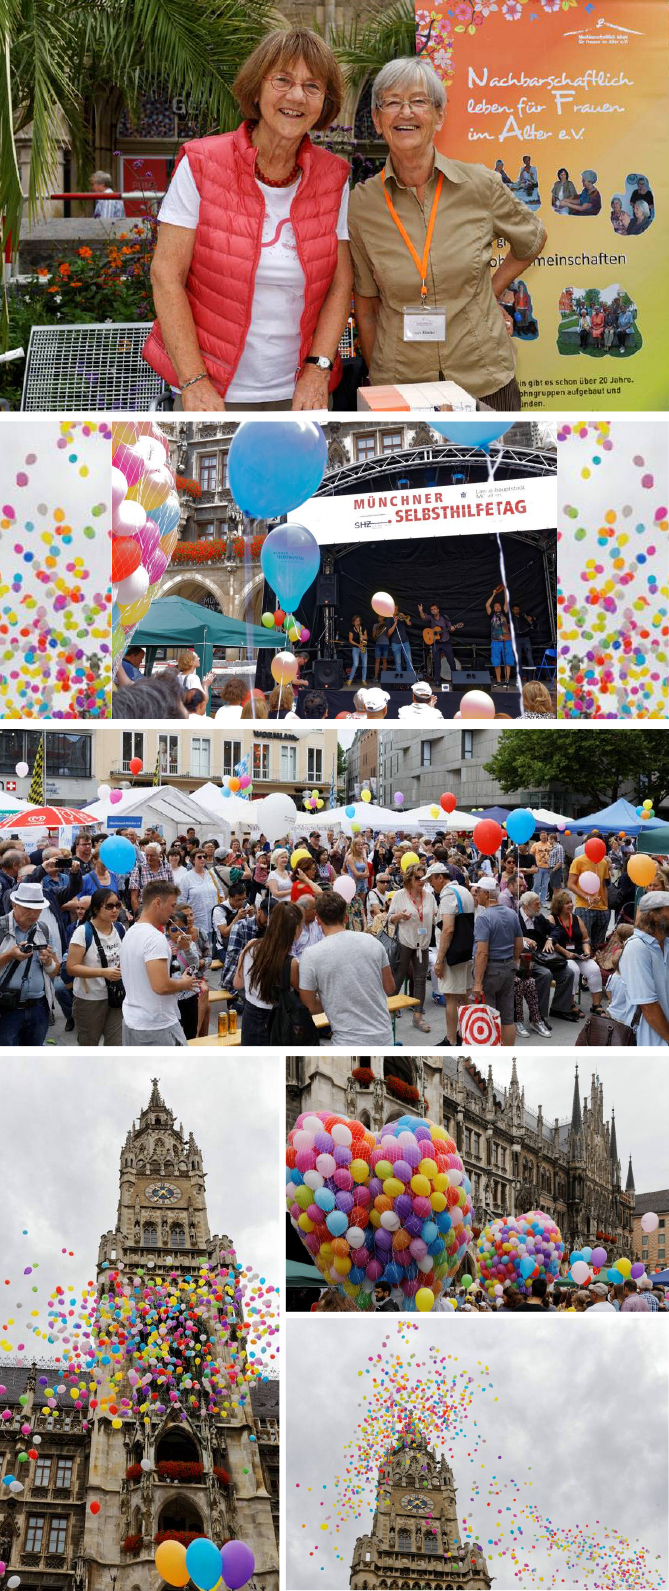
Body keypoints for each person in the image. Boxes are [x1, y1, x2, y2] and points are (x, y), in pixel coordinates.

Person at [144, 28, 353, 412]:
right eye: (283, 80)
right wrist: (194, 381)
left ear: (324, 102)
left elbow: (341, 284)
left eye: (312, 86)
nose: (295, 96)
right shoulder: (202, 163)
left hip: (298, 394)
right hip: (214, 393)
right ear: (256, 89)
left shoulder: (334, 176)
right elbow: (166, 275)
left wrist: (317, 371)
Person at [347, 57, 545, 407]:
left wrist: (488, 290)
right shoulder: (362, 205)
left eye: (419, 101)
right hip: (403, 387)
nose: (405, 112)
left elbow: (532, 240)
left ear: (439, 116)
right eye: (392, 102)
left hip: (483, 377)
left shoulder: (479, 185)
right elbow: (366, 303)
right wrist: (381, 382)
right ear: (377, 120)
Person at [299, 890, 395, 1047]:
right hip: (383, 1037)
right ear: (345, 917)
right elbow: (390, 987)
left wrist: (335, 996)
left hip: (346, 1042)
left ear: (318, 919)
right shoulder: (372, 942)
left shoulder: (310, 955)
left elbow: (309, 1006)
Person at [119, 880, 198, 1046]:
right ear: (157, 902)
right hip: (155, 1025)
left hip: (133, 1020)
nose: (173, 911)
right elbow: (161, 986)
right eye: (172, 905)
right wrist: (185, 983)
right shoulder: (155, 938)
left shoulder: (131, 931)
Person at [233, 899, 301, 1043]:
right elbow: (306, 998)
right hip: (276, 1021)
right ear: (296, 929)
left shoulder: (251, 945)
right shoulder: (292, 963)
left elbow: (237, 984)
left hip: (250, 1016)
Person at [0, 880, 60, 1045]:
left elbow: (55, 971)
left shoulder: (44, 929)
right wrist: (9, 955)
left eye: (38, 909)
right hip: (6, 1008)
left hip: (37, 1007)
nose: (34, 913)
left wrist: (48, 961)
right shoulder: (1, 927)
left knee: (32, 1060)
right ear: (14, 905)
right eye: (28, 908)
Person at [607, 893, 669, 1046]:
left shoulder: (666, 943)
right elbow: (647, 1005)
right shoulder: (637, 947)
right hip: (650, 1039)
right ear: (654, 915)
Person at [66, 887, 124, 1046]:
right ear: (96, 909)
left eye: (117, 905)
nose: (115, 910)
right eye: (109, 906)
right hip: (89, 1000)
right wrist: (103, 972)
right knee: (89, 1045)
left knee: (116, 1045)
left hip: (116, 996)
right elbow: (71, 967)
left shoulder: (119, 928)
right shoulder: (83, 932)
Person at [471, 880, 523, 1046]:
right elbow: (519, 943)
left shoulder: (484, 917)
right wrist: (514, 961)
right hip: (507, 967)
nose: (476, 895)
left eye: (478, 891)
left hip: (491, 970)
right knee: (507, 1018)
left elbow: (482, 952)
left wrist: (477, 983)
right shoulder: (511, 913)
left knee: (489, 1017)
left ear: (486, 894)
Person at [387, 860, 435, 1032]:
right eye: (417, 878)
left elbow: (434, 916)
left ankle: (418, 1016)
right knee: (398, 978)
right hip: (405, 941)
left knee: (420, 979)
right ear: (409, 879)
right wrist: (399, 915)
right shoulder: (400, 895)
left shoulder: (429, 896)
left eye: (424, 878)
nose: (421, 881)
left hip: (422, 943)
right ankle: (388, 1014)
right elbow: (390, 918)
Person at [429, 863, 475, 1046]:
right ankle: (465, 1034)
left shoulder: (448, 893)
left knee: (450, 997)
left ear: (440, 877)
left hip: (452, 954)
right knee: (464, 996)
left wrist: (439, 960)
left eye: (432, 880)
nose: (431, 885)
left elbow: (448, 929)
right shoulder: (464, 890)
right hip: (465, 951)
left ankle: (451, 1039)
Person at [550, 888, 605, 1021]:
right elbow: (552, 941)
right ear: (559, 905)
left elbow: (585, 938)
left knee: (594, 969)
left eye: (571, 902)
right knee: (573, 970)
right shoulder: (552, 919)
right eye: (567, 903)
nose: (571, 905)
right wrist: (566, 953)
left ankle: (596, 1005)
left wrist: (586, 951)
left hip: (579, 953)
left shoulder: (576, 918)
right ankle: (571, 1004)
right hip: (562, 955)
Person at [567, 845, 611, 952]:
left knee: (599, 944)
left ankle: (597, 964)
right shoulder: (579, 861)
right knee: (584, 940)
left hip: (602, 909)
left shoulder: (603, 862)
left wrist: (606, 905)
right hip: (584, 907)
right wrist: (586, 897)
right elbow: (570, 884)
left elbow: (603, 885)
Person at [179, 848, 220, 943]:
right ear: (193, 860)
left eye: (204, 857)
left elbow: (220, 892)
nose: (202, 859)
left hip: (213, 920)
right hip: (196, 922)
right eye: (199, 857)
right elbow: (182, 901)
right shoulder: (186, 878)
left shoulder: (211, 874)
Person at [418, 601, 462, 684]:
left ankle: (455, 679)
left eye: (434, 609)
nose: (433, 611)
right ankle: (437, 681)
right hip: (436, 643)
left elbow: (450, 628)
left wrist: (453, 628)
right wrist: (420, 610)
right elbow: (423, 617)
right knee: (437, 663)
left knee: (451, 661)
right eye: (431, 609)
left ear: (438, 610)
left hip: (446, 642)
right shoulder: (431, 618)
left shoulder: (444, 618)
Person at [128, 841, 173, 916]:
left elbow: (172, 890)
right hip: (146, 909)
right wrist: (139, 915)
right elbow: (134, 897)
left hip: (164, 909)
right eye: (147, 855)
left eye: (152, 855)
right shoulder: (139, 869)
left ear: (159, 854)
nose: (148, 858)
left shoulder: (167, 866)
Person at [486, 585, 514, 684]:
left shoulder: (504, 613)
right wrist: (493, 594)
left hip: (506, 641)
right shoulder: (491, 615)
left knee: (508, 661)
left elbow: (506, 602)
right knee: (496, 662)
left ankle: (506, 680)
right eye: (495, 606)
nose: (497, 607)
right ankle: (498, 680)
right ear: (494, 608)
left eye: (499, 606)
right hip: (495, 641)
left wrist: (505, 590)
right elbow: (487, 605)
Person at [343, 836, 369, 931]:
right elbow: (356, 873)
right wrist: (363, 875)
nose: (361, 846)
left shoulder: (363, 857)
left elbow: (368, 872)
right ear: (354, 846)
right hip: (353, 883)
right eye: (358, 845)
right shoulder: (350, 857)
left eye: (362, 845)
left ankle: (362, 925)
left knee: (361, 905)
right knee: (352, 905)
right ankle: (352, 925)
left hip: (362, 884)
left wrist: (363, 875)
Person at [510, 605, 535, 674]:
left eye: (518, 609)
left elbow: (534, 620)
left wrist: (532, 618)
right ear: (512, 610)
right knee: (518, 658)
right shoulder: (511, 618)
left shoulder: (524, 616)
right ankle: (519, 674)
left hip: (526, 638)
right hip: (516, 639)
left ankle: (532, 674)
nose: (517, 611)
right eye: (515, 609)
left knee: (529, 657)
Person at [530, 831, 553, 907]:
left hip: (548, 868)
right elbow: (531, 854)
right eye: (542, 835)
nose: (544, 837)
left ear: (547, 836)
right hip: (538, 867)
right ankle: (535, 900)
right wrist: (533, 865)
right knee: (536, 884)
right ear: (540, 837)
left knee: (545, 885)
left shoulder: (550, 845)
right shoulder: (535, 845)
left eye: (545, 835)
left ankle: (543, 901)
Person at [347, 615, 368, 685]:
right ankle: (350, 679)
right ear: (353, 622)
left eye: (358, 620)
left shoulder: (363, 628)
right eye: (356, 621)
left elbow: (367, 638)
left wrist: (364, 637)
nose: (357, 622)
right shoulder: (351, 629)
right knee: (355, 664)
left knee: (364, 665)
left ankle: (364, 680)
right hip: (356, 648)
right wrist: (357, 645)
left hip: (363, 647)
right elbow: (350, 640)